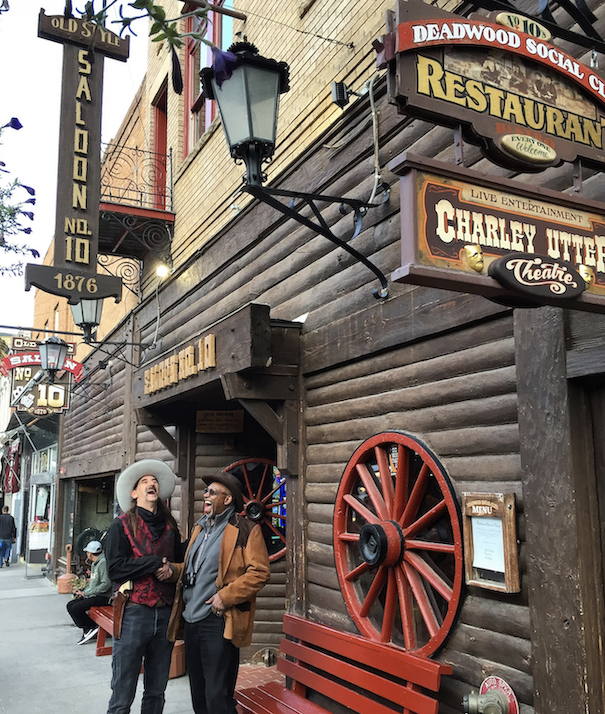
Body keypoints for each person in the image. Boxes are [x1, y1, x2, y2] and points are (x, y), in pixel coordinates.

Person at [167, 472, 270, 714]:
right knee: (199, 694)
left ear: (228, 500)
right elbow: (192, 570)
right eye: (206, 491)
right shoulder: (199, 529)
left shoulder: (246, 529)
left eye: (212, 492)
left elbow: (260, 572)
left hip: (219, 621)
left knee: (218, 696)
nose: (206, 495)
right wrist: (171, 571)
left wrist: (225, 597)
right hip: (191, 620)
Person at [104, 459, 182, 714]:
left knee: (156, 690)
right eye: (145, 481)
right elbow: (115, 569)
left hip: (165, 611)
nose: (152, 483)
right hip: (134, 612)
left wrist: (171, 570)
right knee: (123, 691)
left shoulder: (170, 526)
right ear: (134, 493)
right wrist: (151, 564)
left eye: (155, 481)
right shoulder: (121, 525)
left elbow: (179, 563)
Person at [66, 539, 112, 644]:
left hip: (103, 597)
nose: (87, 554)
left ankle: (90, 627)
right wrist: (84, 592)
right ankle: (89, 627)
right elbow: (93, 584)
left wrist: (88, 593)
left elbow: (106, 584)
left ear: (90, 554)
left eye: (87, 552)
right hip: (95, 595)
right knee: (71, 605)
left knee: (76, 608)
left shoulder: (103, 563)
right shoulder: (95, 563)